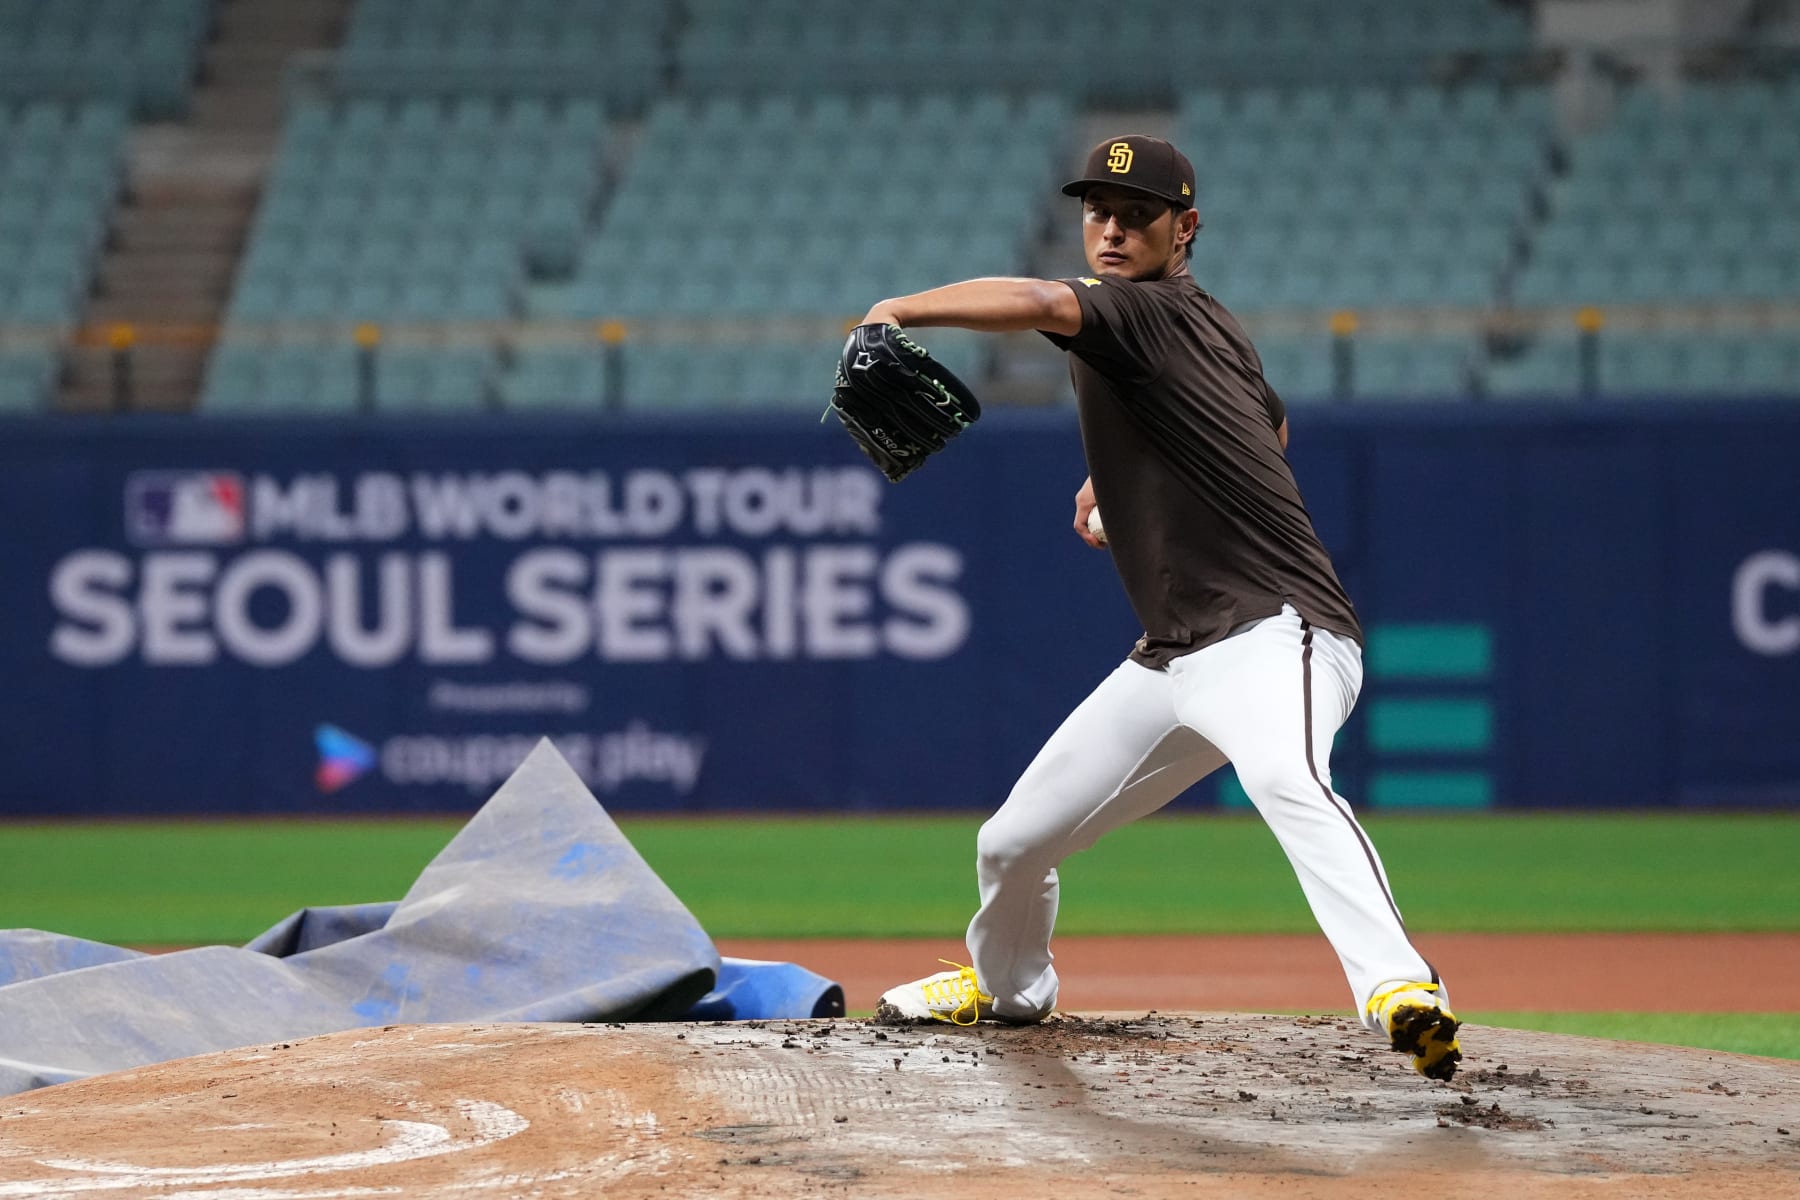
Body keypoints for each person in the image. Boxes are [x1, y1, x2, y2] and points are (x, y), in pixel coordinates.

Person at [866, 135, 1461, 1081]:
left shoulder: (1133, 310)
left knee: (1286, 779)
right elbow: (1271, 419)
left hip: (1278, 629)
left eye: (1136, 212)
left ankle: (1403, 991)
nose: (1111, 226)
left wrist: (897, 309)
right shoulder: (1210, 323)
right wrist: (1117, 480)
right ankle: (1009, 989)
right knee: (1012, 842)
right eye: (1098, 209)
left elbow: (1035, 302)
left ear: (1184, 230)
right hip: (1175, 657)